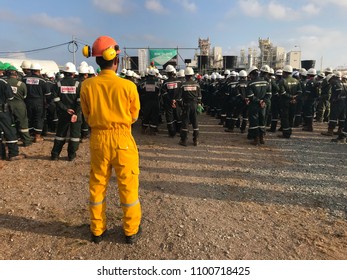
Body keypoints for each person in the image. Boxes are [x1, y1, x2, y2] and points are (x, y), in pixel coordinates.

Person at [80, 35, 142, 244]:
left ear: (96, 59)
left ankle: (97, 230)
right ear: (115, 59)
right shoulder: (128, 86)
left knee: (97, 185)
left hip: (98, 138)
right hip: (122, 138)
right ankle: (130, 231)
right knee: (128, 186)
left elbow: (86, 115)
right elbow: (134, 116)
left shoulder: (87, 86)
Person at [50, 62, 82, 161]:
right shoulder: (78, 84)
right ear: (73, 73)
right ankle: (71, 156)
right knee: (74, 135)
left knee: (60, 134)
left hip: (63, 113)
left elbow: (55, 99)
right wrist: (76, 113)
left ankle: (55, 155)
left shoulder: (58, 84)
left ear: (63, 72)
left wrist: (65, 109)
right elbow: (79, 101)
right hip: (75, 114)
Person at [0, 62, 26, 160]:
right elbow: (10, 97)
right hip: (3, 111)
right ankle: (13, 154)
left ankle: (1, 154)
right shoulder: (4, 83)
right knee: (10, 132)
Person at [22, 62, 50, 142]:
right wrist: (48, 102)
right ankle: (37, 136)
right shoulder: (42, 80)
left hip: (27, 101)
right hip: (39, 102)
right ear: (39, 71)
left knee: (29, 118)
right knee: (38, 118)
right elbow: (48, 94)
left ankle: (30, 135)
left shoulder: (24, 79)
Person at [5, 65, 32, 146]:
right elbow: (25, 96)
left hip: (7, 105)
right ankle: (26, 141)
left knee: (10, 123)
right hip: (19, 105)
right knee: (23, 123)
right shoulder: (21, 84)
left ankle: (11, 140)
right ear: (15, 74)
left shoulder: (5, 82)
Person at [245, 66, 271, 145]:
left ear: (252, 74)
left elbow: (251, 96)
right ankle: (262, 138)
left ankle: (256, 139)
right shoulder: (266, 82)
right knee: (262, 120)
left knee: (254, 121)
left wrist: (259, 101)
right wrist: (263, 101)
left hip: (254, 106)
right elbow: (269, 94)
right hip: (263, 105)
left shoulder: (250, 84)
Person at [178, 67, 202, 146]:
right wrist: (198, 104)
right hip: (194, 105)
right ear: (192, 75)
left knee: (185, 123)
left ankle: (184, 140)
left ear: (185, 75)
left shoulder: (183, 85)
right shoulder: (197, 85)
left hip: (186, 105)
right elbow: (199, 97)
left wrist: (182, 105)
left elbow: (179, 98)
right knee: (195, 123)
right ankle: (196, 140)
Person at [277, 65, 301, 138]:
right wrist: (294, 98)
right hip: (293, 102)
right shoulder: (296, 81)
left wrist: (291, 97)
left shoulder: (282, 81)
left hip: (285, 102)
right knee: (291, 117)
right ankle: (289, 131)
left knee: (285, 118)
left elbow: (283, 93)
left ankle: (286, 133)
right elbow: (300, 91)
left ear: (284, 72)